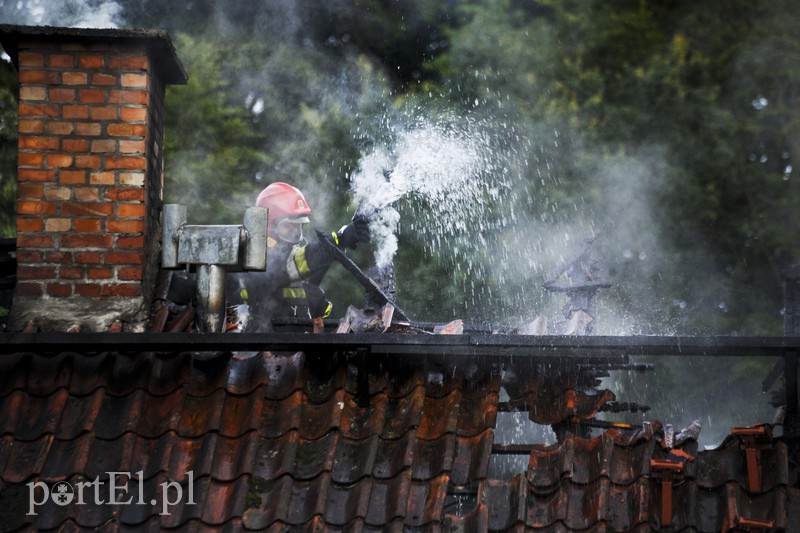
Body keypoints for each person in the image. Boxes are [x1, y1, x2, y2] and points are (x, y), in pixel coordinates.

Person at [228, 182, 369, 332]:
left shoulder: (295, 275)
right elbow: (285, 267)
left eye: (298, 227)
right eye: (288, 226)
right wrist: (338, 239)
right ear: (268, 227)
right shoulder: (249, 259)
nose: (295, 234)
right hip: (249, 348)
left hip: (290, 348)